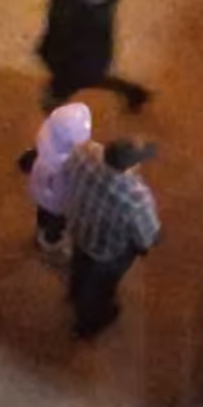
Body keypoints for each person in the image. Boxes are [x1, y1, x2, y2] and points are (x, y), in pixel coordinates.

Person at [61, 135, 162, 336]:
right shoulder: (135, 196)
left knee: (79, 262)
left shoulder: (84, 155)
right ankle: (88, 323)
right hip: (106, 250)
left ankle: (75, 290)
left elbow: (67, 170)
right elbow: (147, 237)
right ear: (130, 167)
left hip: (79, 228)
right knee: (100, 288)